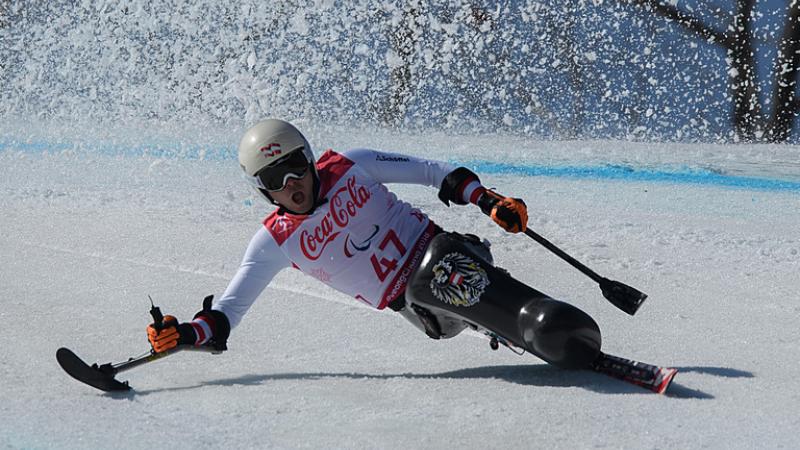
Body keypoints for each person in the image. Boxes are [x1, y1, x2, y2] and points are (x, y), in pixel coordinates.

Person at [147, 119, 528, 353]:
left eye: (295, 166)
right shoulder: (274, 242)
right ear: (260, 191)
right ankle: (496, 322)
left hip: (444, 250)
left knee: (458, 258)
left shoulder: (351, 164)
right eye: (274, 180)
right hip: (421, 308)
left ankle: (503, 303)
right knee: (437, 302)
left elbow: (433, 172)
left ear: (310, 159)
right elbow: (226, 314)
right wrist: (184, 335)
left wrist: (488, 200)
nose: (291, 183)